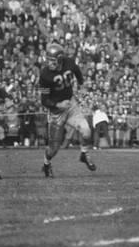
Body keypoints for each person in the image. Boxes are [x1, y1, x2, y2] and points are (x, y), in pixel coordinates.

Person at [39, 42, 96, 177]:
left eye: (52, 60)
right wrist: (58, 105)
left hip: (71, 105)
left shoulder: (69, 62)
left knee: (86, 131)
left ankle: (84, 153)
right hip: (56, 113)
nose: (49, 63)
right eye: (48, 60)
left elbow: (77, 72)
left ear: (59, 59)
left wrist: (81, 85)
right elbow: (44, 100)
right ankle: (46, 164)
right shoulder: (44, 75)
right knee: (54, 148)